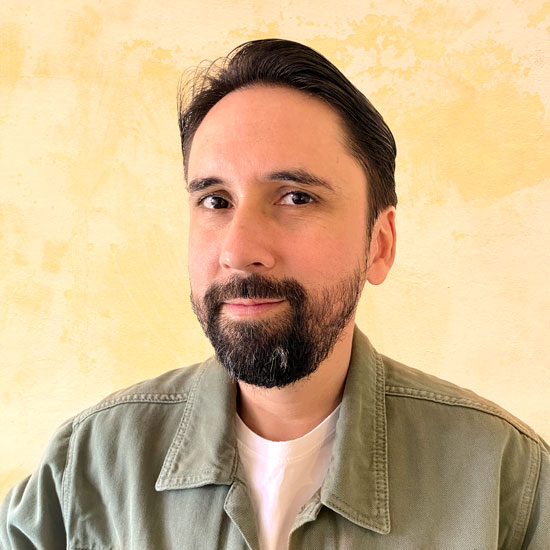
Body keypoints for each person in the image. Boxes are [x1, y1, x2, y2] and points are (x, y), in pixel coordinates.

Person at [1, 38, 548, 550]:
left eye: (295, 197)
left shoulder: (509, 484)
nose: (239, 250)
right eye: (215, 200)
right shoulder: (83, 472)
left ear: (378, 246)